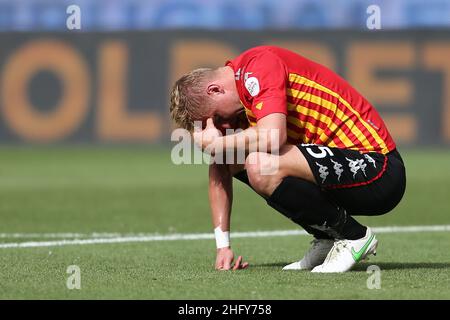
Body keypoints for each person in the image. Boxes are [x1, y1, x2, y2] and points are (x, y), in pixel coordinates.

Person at [169, 45, 406, 273]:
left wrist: (217, 142)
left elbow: (274, 137)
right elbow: (220, 166)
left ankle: (354, 236)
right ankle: (327, 235)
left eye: (218, 118)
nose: (224, 126)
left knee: (260, 165)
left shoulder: (259, 66)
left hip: (379, 169)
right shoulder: (240, 103)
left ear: (215, 90)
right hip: (341, 173)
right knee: (238, 159)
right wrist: (223, 247)